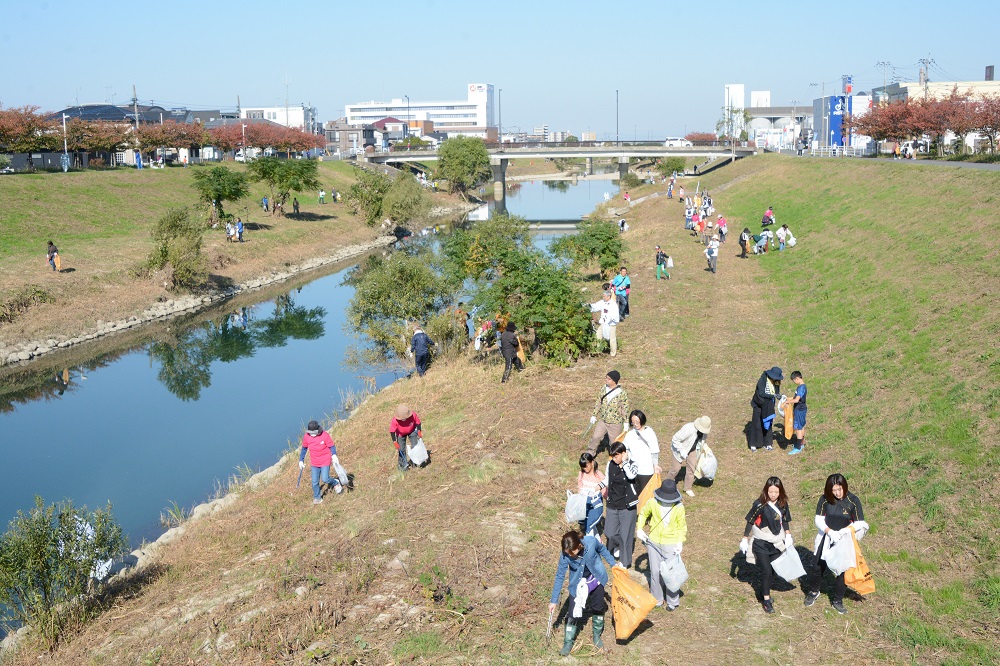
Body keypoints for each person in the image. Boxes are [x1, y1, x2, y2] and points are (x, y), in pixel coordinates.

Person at [805, 474, 867, 614]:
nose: (837, 493)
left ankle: (837, 600)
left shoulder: (853, 501)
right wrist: (829, 531)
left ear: (844, 487)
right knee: (817, 567)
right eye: (834, 490)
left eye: (840, 489)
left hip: (844, 541)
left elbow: (860, 523)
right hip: (826, 538)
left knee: (843, 571)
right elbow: (818, 519)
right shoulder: (825, 499)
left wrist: (845, 531)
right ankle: (814, 591)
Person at [549, 531, 614, 655]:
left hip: (596, 579)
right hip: (578, 585)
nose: (569, 555)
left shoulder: (591, 542)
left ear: (579, 546)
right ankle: (568, 642)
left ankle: (596, 636)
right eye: (567, 553)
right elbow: (559, 576)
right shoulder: (565, 554)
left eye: (571, 553)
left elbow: (603, 550)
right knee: (572, 613)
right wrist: (554, 600)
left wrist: (613, 564)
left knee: (599, 607)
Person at [740, 476, 793, 614]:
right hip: (761, 543)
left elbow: (785, 520)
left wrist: (787, 534)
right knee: (767, 571)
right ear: (766, 491)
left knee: (773, 569)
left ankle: (765, 588)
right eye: (770, 492)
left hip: (775, 542)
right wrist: (745, 538)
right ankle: (766, 599)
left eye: (776, 492)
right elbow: (750, 521)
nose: (773, 495)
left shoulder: (783, 504)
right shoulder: (760, 504)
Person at [636, 478, 687, 610]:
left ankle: (672, 601)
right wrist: (640, 528)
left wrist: (679, 542)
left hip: (671, 543)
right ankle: (657, 598)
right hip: (653, 542)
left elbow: (682, 526)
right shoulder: (652, 503)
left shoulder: (679, 508)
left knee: (671, 574)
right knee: (655, 571)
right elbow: (643, 514)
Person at [603, 441, 639, 568]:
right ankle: (618, 546)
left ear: (623, 453)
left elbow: (631, 475)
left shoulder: (633, 464)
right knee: (609, 533)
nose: (614, 459)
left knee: (626, 535)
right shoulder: (610, 464)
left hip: (627, 506)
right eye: (612, 456)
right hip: (613, 504)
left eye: (616, 456)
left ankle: (625, 561)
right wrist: (597, 487)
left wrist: (624, 462)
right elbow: (607, 480)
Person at [299, 420, 342, 504]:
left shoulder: (325, 435)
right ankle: (317, 498)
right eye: (310, 433)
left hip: (325, 460)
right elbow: (304, 448)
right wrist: (301, 460)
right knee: (314, 482)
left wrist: (334, 455)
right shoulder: (307, 436)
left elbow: (331, 446)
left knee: (325, 478)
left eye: (313, 433)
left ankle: (336, 483)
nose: (312, 435)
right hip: (314, 462)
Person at [588, 371, 630, 456]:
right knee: (595, 437)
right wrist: (594, 415)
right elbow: (599, 401)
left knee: (615, 444)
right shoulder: (603, 388)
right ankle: (589, 454)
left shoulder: (621, 393)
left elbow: (624, 408)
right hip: (603, 420)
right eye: (606, 378)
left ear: (614, 381)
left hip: (615, 423)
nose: (606, 380)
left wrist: (626, 422)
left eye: (608, 379)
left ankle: (617, 459)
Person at [669, 416, 711, 497]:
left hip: (692, 449)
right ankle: (667, 484)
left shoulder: (704, 433)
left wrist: (706, 448)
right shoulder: (689, 429)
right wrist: (682, 451)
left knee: (692, 468)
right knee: (675, 469)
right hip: (679, 449)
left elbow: (702, 441)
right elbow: (675, 439)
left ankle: (687, 488)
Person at [622, 410, 661, 496]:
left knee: (645, 494)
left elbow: (654, 451)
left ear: (642, 420)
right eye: (633, 422)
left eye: (637, 422)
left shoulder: (650, 432)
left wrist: (656, 465)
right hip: (632, 470)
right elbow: (625, 449)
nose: (635, 424)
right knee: (633, 494)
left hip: (646, 470)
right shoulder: (630, 434)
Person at [749, 367, 782, 451]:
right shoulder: (762, 380)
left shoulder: (776, 382)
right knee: (757, 423)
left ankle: (768, 443)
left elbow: (776, 392)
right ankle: (754, 444)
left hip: (769, 405)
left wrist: (778, 396)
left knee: (768, 423)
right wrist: (773, 396)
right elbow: (761, 393)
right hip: (759, 404)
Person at [578, 453, 606, 536]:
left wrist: (606, 496)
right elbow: (580, 486)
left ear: (592, 462)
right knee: (587, 524)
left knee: (591, 523)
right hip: (585, 502)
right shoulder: (582, 474)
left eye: (586, 466)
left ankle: (592, 539)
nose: (585, 469)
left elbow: (604, 487)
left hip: (595, 502)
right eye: (583, 467)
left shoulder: (598, 474)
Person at [389, 404, 423, 472]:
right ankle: (403, 466)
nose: (404, 419)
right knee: (401, 449)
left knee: (415, 446)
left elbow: (418, 423)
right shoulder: (395, 420)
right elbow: (392, 431)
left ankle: (416, 462)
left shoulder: (413, 415)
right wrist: (395, 442)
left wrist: (419, 431)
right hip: (400, 434)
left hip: (412, 431)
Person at [590, 291, 620, 357]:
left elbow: (614, 315)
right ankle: (598, 350)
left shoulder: (613, 304)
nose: (603, 297)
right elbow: (595, 306)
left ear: (608, 297)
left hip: (611, 324)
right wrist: (588, 306)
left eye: (604, 296)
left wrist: (608, 320)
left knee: (612, 339)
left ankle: (613, 353)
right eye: (603, 296)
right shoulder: (602, 302)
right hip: (603, 323)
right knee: (598, 335)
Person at [787, 371, 807, 455]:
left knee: (799, 428)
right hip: (802, 409)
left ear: (797, 378)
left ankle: (798, 447)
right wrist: (788, 399)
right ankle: (802, 443)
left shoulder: (801, 388)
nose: (794, 382)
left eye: (794, 380)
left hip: (799, 410)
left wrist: (786, 403)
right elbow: (795, 397)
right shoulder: (802, 387)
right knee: (801, 427)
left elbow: (796, 400)